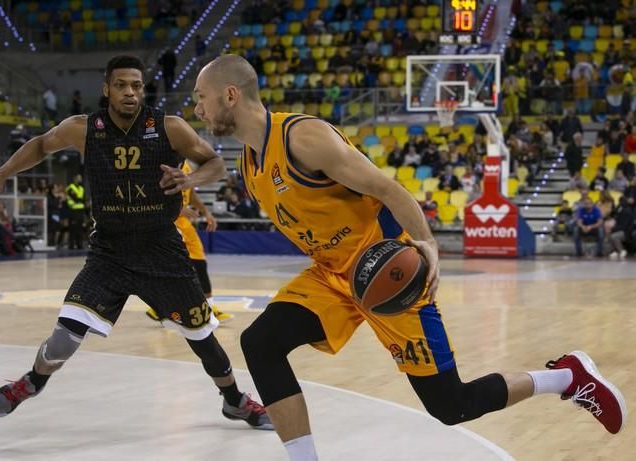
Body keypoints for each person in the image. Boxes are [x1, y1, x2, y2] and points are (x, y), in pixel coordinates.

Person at [192, 55, 626, 461]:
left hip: (386, 270)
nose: (197, 110)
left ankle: (568, 377)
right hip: (331, 276)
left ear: (230, 95)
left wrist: (428, 244)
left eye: (200, 98)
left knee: (452, 406)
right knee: (260, 343)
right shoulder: (249, 161)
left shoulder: (303, 138)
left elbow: (388, 189)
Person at [0, 55, 271, 430]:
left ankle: (235, 401)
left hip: (161, 248)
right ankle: (32, 381)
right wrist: (1, 175)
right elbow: (41, 144)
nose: (129, 92)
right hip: (109, 251)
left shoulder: (170, 128)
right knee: (65, 333)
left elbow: (214, 163)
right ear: (106, 89)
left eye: (136, 85)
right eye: (121, 85)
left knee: (203, 338)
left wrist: (190, 180)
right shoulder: (83, 129)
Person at [145, 160, 232, 323]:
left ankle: (205, 306)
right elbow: (149, 193)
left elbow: (190, 193)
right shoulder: (162, 162)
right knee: (178, 267)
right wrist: (178, 208)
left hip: (185, 224)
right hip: (167, 221)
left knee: (199, 262)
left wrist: (206, 212)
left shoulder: (186, 165)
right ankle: (162, 306)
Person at [65, 174, 86, 250]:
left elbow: (83, 200)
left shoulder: (82, 188)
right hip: (73, 211)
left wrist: (79, 200)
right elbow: (75, 198)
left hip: (80, 211)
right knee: (72, 229)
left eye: (81, 178)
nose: (80, 179)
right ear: (75, 179)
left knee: (80, 229)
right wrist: (79, 200)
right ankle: (71, 246)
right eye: (79, 178)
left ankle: (79, 245)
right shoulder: (70, 187)